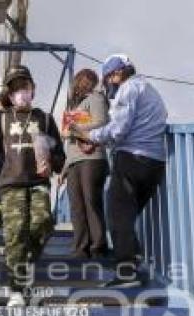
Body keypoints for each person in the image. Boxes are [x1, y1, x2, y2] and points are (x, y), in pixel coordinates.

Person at [0, 65, 65, 307]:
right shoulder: (1, 120)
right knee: (16, 233)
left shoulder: (45, 119)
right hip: (10, 184)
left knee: (43, 222)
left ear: (33, 89)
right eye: (15, 89)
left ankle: (23, 268)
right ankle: (16, 289)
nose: (21, 93)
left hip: (38, 183)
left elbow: (59, 156)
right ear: (8, 94)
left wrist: (53, 163)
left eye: (24, 87)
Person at [71, 54, 168, 288]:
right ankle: (134, 263)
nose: (109, 84)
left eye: (109, 78)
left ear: (116, 74)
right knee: (126, 215)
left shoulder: (128, 89)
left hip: (132, 159)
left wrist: (89, 136)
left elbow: (118, 129)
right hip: (154, 162)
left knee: (115, 213)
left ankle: (127, 273)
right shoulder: (150, 89)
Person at [61, 69, 110, 259]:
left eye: (84, 81)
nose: (80, 84)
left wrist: (75, 128)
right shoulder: (75, 106)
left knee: (91, 201)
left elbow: (102, 122)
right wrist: (65, 166)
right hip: (74, 160)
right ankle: (80, 247)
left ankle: (98, 246)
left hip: (92, 158)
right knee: (76, 206)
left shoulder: (96, 99)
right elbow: (71, 140)